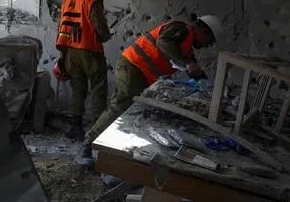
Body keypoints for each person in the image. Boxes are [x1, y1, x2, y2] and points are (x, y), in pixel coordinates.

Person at [76, 14, 222, 165]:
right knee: (119, 107)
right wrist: (187, 64)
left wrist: (209, 88)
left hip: (141, 73)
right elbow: (163, 43)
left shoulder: (186, 48)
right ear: (203, 31)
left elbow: (195, 71)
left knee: (132, 112)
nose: (206, 46)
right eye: (209, 42)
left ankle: (114, 151)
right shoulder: (181, 30)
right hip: (133, 66)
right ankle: (87, 145)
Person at [55, 0, 113, 138]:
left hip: (70, 51)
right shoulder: (93, 0)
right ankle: (98, 130)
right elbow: (99, 26)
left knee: (78, 89)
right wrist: (106, 36)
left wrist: (63, 54)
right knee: (99, 88)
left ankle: (75, 128)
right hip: (90, 50)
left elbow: (61, 26)